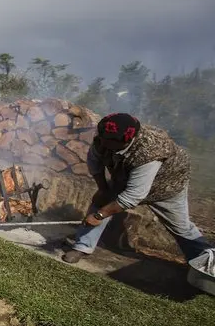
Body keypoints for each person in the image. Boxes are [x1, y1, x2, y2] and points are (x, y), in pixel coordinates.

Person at [63, 113, 213, 264]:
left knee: (181, 227)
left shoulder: (149, 151)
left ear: (126, 140)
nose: (102, 143)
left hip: (167, 185)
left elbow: (133, 196)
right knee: (101, 201)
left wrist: (99, 216)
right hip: (127, 177)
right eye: (102, 138)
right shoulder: (103, 138)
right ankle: (82, 247)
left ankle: (205, 263)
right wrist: (103, 189)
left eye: (108, 141)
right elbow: (94, 161)